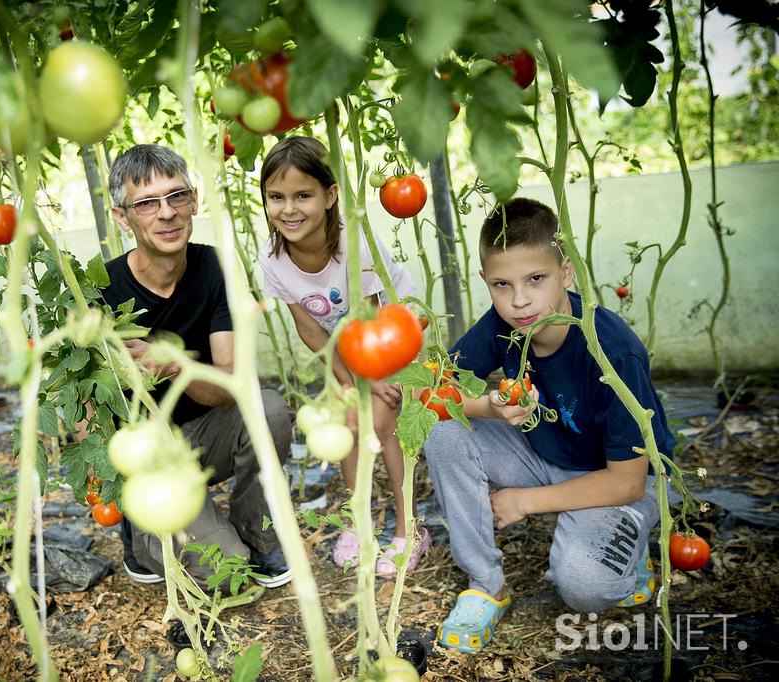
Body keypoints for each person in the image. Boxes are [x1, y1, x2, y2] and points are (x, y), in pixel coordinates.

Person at [424, 197, 675, 652]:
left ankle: (634, 548)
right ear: (486, 281)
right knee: (444, 427)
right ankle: (485, 585)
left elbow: (627, 482)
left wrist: (524, 501)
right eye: (502, 284)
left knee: (587, 589)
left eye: (535, 279)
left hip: (620, 481)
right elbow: (433, 390)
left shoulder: (613, 351)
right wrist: (487, 405)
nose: (519, 301)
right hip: (545, 455)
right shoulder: (501, 326)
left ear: (565, 272)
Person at [99, 143, 293, 588]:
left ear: (194, 201)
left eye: (177, 196)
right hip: (153, 453)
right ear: (121, 217)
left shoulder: (216, 267)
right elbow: (84, 408)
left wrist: (168, 362)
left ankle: (257, 536)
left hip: (209, 428)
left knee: (268, 409)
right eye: (146, 203)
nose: (166, 213)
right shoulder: (99, 290)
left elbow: (228, 386)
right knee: (226, 573)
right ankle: (141, 531)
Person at [257, 136, 431, 579]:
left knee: (382, 424)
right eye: (276, 197)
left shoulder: (354, 243)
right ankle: (361, 525)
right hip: (345, 348)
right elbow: (308, 327)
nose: (289, 209)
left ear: (330, 195)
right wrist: (347, 378)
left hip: (394, 334)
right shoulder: (273, 260)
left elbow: (375, 314)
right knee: (347, 423)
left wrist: (370, 378)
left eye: (303, 195)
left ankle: (410, 528)